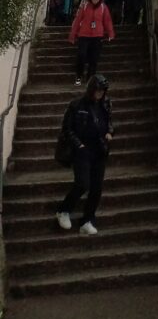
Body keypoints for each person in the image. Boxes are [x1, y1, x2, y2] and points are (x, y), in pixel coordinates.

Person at [56, 73, 114, 235]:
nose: (100, 94)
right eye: (98, 90)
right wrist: (79, 145)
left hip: (99, 149)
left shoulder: (105, 104)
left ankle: (88, 220)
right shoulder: (77, 105)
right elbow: (67, 129)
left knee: (96, 188)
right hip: (82, 150)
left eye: (102, 91)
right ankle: (63, 210)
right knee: (82, 183)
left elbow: (109, 122)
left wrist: (110, 132)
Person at [68, 0, 114, 86]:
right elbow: (78, 20)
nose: (95, 0)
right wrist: (73, 34)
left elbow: (107, 21)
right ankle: (79, 76)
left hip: (97, 36)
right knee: (81, 55)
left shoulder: (103, 7)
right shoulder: (85, 6)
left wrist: (110, 33)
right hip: (84, 35)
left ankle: (90, 78)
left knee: (94, 59)